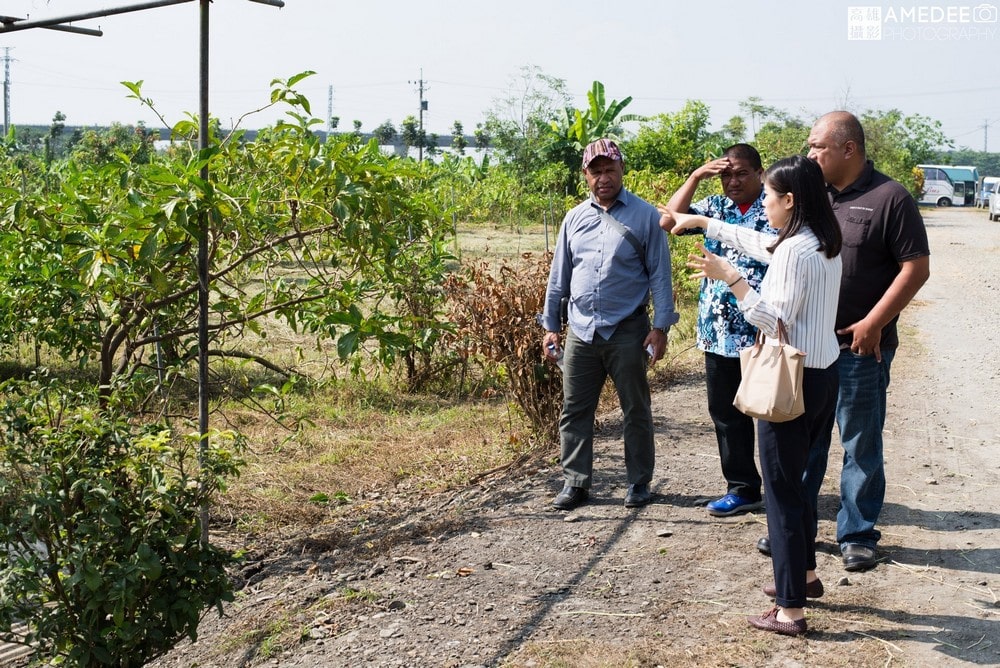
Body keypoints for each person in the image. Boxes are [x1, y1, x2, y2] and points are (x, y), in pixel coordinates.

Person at [667, 154, 843, 636]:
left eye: (768, 195)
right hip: (823, 372)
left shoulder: (795, 251)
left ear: (790, 200)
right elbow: (763, 243)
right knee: (799, 482)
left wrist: (732, 280)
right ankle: (803, 576)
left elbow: (771, 318)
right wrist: (708, 223)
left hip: (791, 378)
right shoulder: (822, 242)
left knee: (782, 493)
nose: (763, 203)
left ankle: (789, 609)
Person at [798, 111, 931, 571]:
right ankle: (796, 530)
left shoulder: (890, 198)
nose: (810, 153)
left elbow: (916, 269)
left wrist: (875, 321)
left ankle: (857, 534)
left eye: (818, 146)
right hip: (807, 347)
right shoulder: (810, 198)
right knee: (805, 442)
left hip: (859, 348)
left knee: (859, 442)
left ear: (848, 149)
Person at [542, 138, 679, 511]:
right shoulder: (574, 218)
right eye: (595, 171)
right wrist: (551, 325)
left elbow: (660, 276)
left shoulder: (646, 216)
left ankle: (638, 482)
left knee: (635, 408)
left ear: (622, 171)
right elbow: (560, 276)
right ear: (585, 175)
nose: (603, 177)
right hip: (581, 332)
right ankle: (576, 482)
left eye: (609, 169)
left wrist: (661, 328)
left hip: (628, 330)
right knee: (574, 409)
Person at [661, 144, 776, 517]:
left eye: (742, 172)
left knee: (774, 412)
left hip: (763, 329)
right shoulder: (714, 207)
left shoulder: (774, 209)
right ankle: (742, 488)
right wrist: (696, 176)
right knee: (726, 414)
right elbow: (668, 220)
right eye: (726, 173)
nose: (733, 180)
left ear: (760, 173)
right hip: (719, 332)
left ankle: (783, 490)